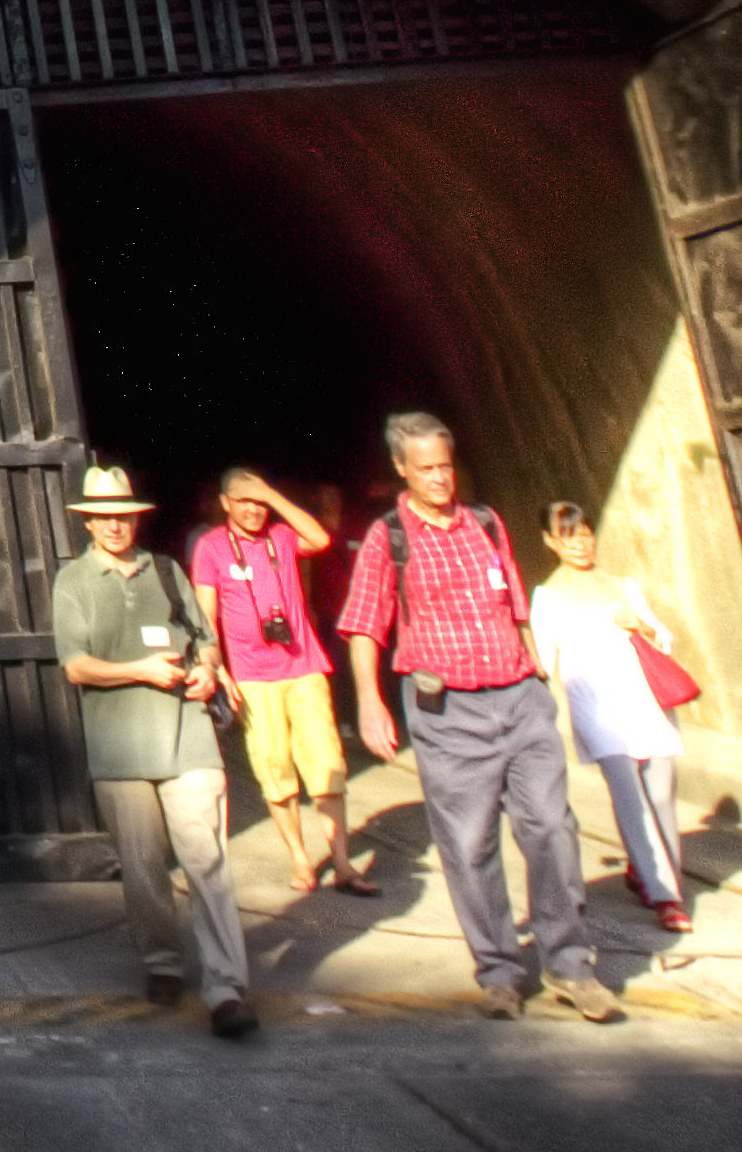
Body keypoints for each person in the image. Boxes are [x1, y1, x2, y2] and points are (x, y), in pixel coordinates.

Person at [336, 411, 621, 1022]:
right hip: (449, 711)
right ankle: (498, 971)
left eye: (446, 464)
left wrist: (540, 675)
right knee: (469, 845)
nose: (441, 478)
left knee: (552, 828)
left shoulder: (486, 524)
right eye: (427, 468)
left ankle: (570, 964)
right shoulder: (388, 539)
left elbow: (517, 607)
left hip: (519, 696)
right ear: (401, 469)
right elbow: (363, 627)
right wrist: (369, 702)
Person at [50, 460, 256, 1036]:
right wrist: (140, 670)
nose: (114, 526)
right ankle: (162, 960)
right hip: (120, 747)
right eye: (103, 517)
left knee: (208, 862)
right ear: (88, 523)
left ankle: (225, 987)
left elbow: (206, 641)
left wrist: (209, 674)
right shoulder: (74, 582)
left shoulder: (166, 572)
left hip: (186, 733)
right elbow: (77, 666)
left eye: (123, 516)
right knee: (142, 868)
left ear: (135, 520)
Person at [186, 467, 370, 897]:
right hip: (253, 676)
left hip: (304, 667)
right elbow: (204, 617)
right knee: (275, 769)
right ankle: (301, 860)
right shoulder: (211, 548)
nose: (253, 510)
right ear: (225, 503)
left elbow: (321, 539)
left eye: (259, 503)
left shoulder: (282, 537)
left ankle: (342, 863)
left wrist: (271, 493)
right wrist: (217, 667)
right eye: (244, 501)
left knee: (327, 766)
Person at [529, 502, 696, 933]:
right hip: (595, 708)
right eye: (568, 536)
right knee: (631, 798)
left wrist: (637, 623)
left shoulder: (622, 585)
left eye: (585, 533)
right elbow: (543, 661)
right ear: (551, 542)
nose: (580, 543)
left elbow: (663, 636)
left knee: (660, 794)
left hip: (644, 700)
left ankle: (645, 873)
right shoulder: (546, 597)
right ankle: (668, 896)